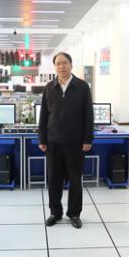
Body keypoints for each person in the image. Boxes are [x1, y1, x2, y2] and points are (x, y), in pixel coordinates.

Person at [38, 52, 94, 229]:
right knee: (54, 179)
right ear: (55, 67)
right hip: (53, 141)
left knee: (75, 180)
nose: (61, 66)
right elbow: (43, 115)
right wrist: (42, 138)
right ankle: (55, 212)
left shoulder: (82, 87)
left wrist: (87, 139)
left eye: (65, 63)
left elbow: (88, 115)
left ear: (71, 64)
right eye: (58, 64)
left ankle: (74, 214)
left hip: (75, 142)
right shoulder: (49, 87)